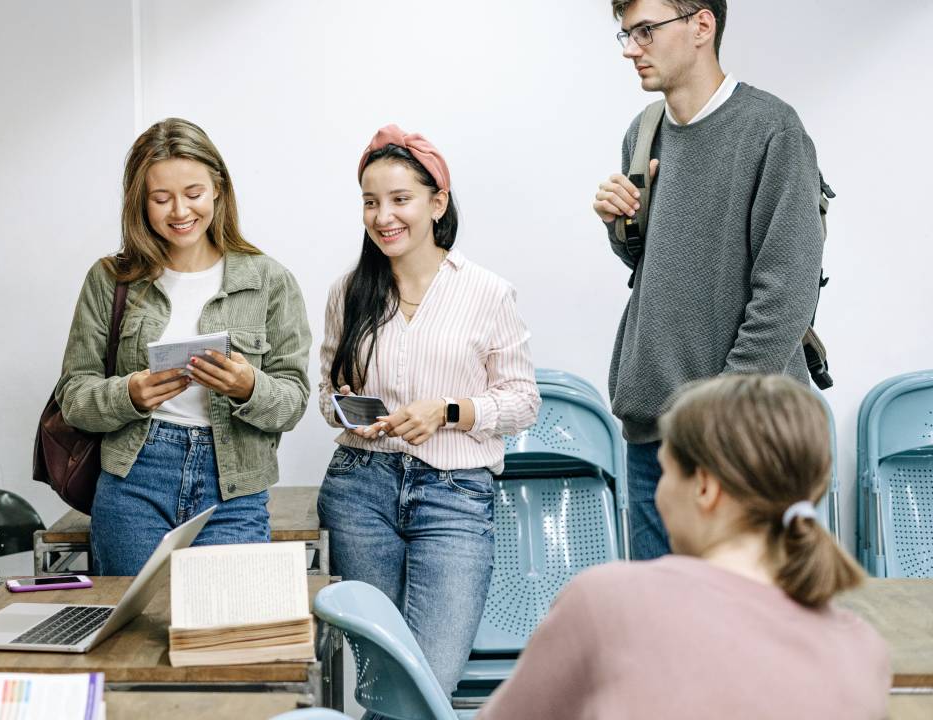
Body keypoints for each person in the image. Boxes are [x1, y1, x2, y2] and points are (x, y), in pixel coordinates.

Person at [479, 374, 890, 719]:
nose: (658, 493)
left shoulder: (607, 600)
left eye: (666, 473)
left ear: (706, 487)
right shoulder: (863, 651)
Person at [592, 0, 827, 559]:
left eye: (646, 31)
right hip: (654, 436)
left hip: (744, 437)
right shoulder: (643, 132)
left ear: (702, 25)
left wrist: (716, 419)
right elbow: (660, 266)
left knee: (753, 632)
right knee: (664, 631)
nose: (630, 49)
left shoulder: (772, 129)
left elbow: (787, 292)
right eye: (625, 34)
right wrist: (618, 224)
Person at [316, 124, 540, 697]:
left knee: (428, 680)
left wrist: (448, 411)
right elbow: (325, 393)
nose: (383, 216)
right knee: (378, 677)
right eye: (370, 202)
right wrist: (345, 409)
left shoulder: (488, 292)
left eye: (400, 199)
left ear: (437, 203)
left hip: (456, 495)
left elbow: (522, 402)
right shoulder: (349, 292)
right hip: (360, 490)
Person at [56, 117, 312, 576]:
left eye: (193, 193)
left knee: (223, 634)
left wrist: (248, 386)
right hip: (134, 479)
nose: (179, 211)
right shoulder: (110, 280)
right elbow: (73, 396)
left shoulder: (268, 281)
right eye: (161, 198)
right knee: (131, 636)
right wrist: (129, 394)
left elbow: (293, 402)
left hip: (233, 485)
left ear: (218, 188)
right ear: (140, 202)